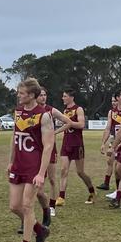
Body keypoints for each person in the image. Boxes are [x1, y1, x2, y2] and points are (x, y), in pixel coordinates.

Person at [7, 78, 54, 242]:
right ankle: (40, 230)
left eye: (22, 93)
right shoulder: (18, 112)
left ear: (32, 95)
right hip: (18, 165)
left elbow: (48, 146)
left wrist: (41, 173)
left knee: (27, 207)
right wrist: (10, 161)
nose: (18, 95)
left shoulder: (44, 116)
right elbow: (14, 136)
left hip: (34, 166)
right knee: (14, 207)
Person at [35, 87, 72, 221]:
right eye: (40, 95)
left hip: (49, 149)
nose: (43, 97)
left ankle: (51, 206)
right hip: (36, 149)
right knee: (38, 179)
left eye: (45, 95)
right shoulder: (32, 112)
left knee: (51, 178)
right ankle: (42, 205)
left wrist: (55, 133)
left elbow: (68, 122)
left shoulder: (51, 110)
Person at [56, 88, 96, 205]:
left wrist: (68, 122)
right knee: (63, 170)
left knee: (80, 172)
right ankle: (61, 197)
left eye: (64, 96)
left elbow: (81, 124)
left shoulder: (78, 109)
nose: (63, 98)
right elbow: (66, 126)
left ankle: (92, 191)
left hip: (77, 144)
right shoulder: (64, 110)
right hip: (66, 143)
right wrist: (56, 131)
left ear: (71, 97)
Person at [98, 93, 121, 191]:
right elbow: (108, 129)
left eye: (115, 101)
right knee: (110, 161)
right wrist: (103, 143)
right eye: (112, 101)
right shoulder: (112, 112)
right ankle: (107, 183)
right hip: (114, 139)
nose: (113, 103)